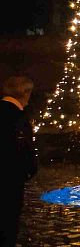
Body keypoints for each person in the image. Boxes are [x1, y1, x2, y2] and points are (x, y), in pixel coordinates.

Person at [1, 76, 36, 247]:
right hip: (11, 177)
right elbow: (23, 148)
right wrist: (29, 169)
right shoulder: (18, 117)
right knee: (9, 221)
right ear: (25, 93)